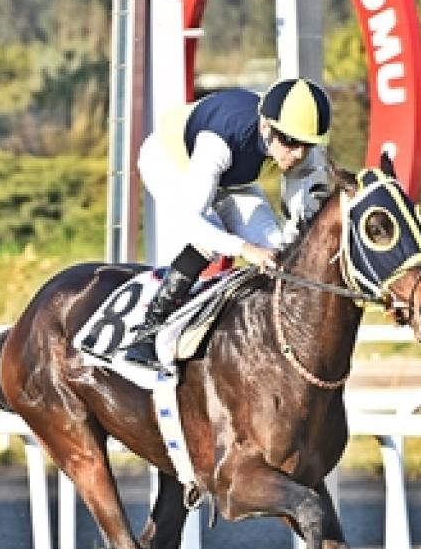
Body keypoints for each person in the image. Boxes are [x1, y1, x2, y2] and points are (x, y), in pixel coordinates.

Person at [123, 77, 332, 370]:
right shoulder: (218, 141)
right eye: (290, 142)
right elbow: (193, 221)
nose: (298, 154)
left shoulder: (303, 148)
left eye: (307, 145)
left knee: (278, 249)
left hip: (233, 177)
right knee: (211, 239)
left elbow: (297, 217)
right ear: (265, 127)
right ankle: (148, 331)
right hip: (173, 163)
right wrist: (245, 248)